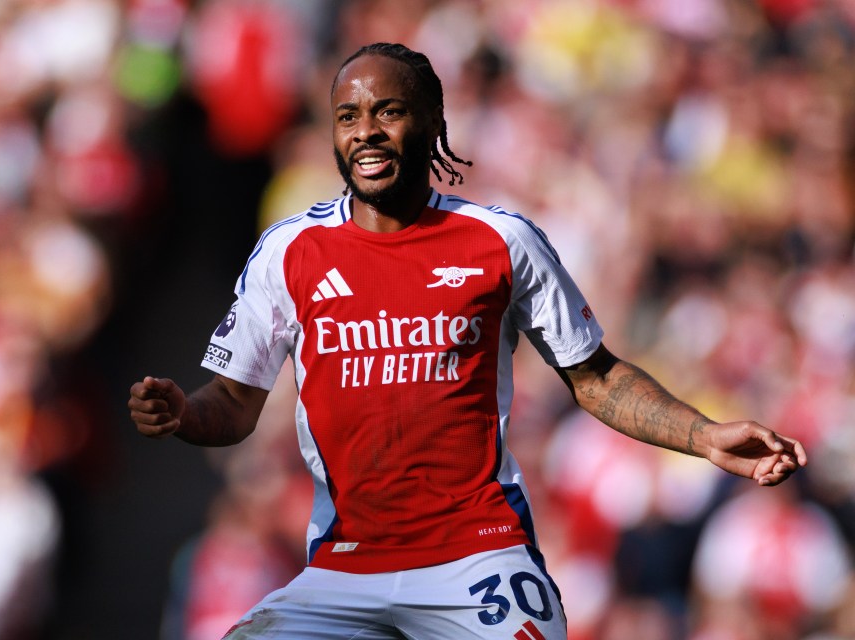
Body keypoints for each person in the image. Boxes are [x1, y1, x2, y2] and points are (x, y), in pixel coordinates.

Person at [128, 42, 807, 640]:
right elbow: (235, 404)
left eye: (388, 112)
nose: (366, 132)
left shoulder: (502, 242)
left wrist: (703, 435)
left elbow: (594, 377)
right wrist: (185, 414)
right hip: (343, 563)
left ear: (433, 124)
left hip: (477, 557)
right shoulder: (288, 251)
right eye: (347, 117)